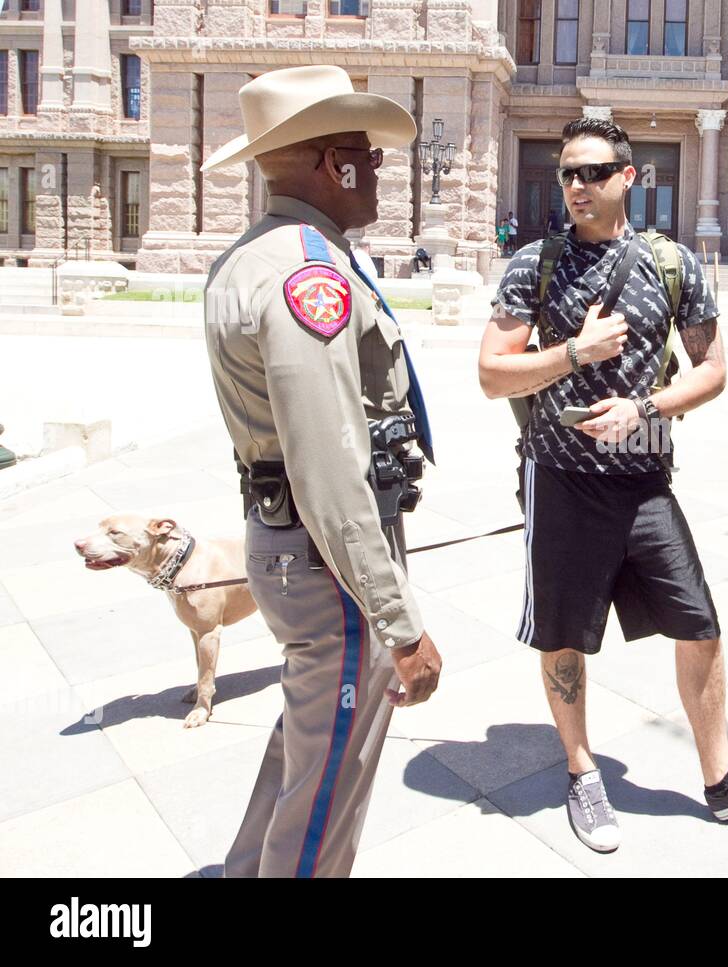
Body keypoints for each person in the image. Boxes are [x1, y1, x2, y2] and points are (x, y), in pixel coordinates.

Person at [479, 116, 728, 854]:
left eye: (594, 172)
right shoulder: (535, 263)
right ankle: (581, 768)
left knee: (700, 622)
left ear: (630, 176)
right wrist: (575, 350)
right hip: (559, 478)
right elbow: (491, 373)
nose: (576, 186)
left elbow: (714, 370)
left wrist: (647, 406)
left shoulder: (674, 264)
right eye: (567, 172)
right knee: (564, 634)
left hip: (646, 480)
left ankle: (721, 780)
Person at [201, 65, 442, 877]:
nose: (378, 168)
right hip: (327, 562)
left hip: (292, 546)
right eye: (365, 154)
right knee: (327, 800)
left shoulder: (257, 255)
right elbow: (330, 464)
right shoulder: (308, 274)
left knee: (305, 761)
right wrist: (399, 623)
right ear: (332, 163)